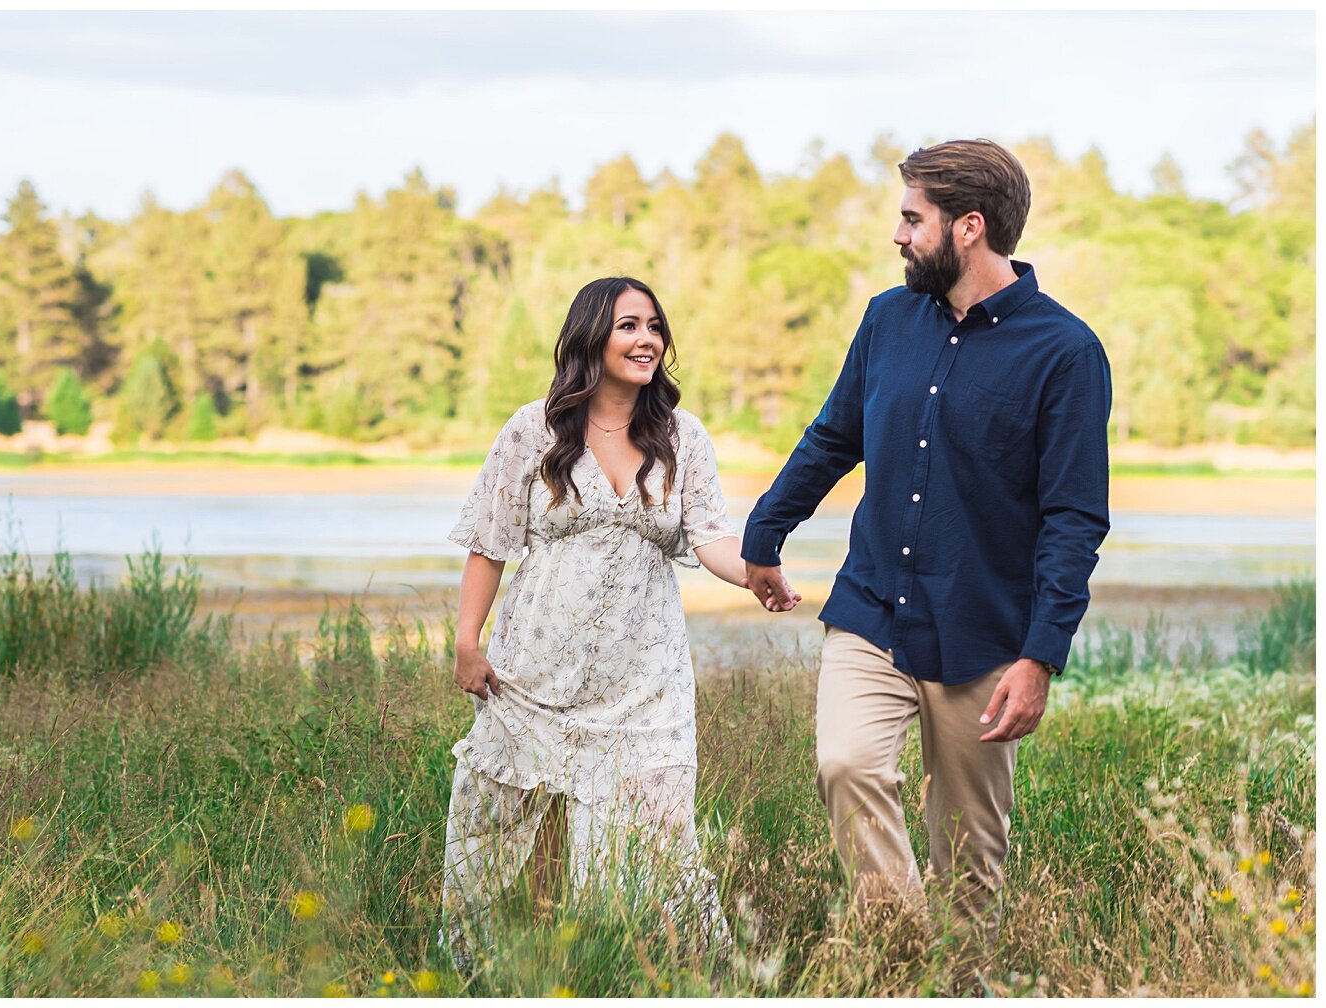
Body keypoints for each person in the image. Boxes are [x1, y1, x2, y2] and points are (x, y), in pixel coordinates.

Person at [743, 139, 1112, 950]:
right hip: (873, 607)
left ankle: (961, 981)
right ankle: (902, 958)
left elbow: (1074, 519)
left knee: (971, 855)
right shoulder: (887, 319)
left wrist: (1040, 655)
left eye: (913, 218)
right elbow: (834, 436)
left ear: (969, 227)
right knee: (848, 765)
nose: (899, 235)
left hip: (984, 631)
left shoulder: (1066, 353)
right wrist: (765, 531)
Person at [439, 276, 773, 973]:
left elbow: (712, 537)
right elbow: (489, 543)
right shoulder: (534, 428)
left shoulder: (683, 436)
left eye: (654, 326)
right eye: (628, 325)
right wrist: (467, 644)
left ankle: (668, 972)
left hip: (644, 686)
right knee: (492, 832)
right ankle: (476, 973)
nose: (647, 339)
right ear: (592, 334)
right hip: (532, 675)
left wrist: (757, 574)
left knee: (654, 840)